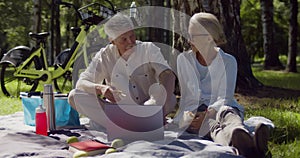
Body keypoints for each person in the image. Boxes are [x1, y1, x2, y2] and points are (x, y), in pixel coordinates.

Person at [173, 12, 270, 158]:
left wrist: (209, 114)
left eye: (194, 35)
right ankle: (248, 146)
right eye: (189, 34)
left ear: (209, 37)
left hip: (222, 107)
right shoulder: (183, 60)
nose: (189, 40)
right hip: (197, 111)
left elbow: (224, 97)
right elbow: (188, 97)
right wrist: (190, 117)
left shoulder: (228, 61)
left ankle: (238, 133)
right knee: (211, 127)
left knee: (227, 114)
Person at [68, 13, 176, 130]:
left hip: (148, 108)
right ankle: (137, 125)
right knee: (74, 96)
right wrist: (102, 89)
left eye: (132, 36)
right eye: (124, 39)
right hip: (118, 112)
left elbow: (168, 75)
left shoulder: (148, 49)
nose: (130, 42)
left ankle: (131, 125)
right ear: (112, 41)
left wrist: (161, 109)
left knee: (169, 97)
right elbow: (82, 83)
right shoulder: (105, 55)